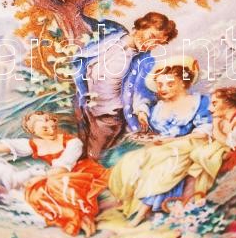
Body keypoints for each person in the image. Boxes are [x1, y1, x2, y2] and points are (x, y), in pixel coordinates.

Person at [109, 86, 236, 226]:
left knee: (175, 164)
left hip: (216, 149)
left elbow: (232, 144)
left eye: (214, 104)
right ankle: (134, 203)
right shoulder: (161, 106)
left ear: (228, 104)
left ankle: (148, 210)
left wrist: (213, 127)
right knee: (143, 160)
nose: (210, 108)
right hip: (190, 144)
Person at [0, 112, 109, 236]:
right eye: (44, 128)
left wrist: (38, 177)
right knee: (37, 192)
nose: (50, 129)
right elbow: (8, 146)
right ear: (33, 131)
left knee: (53, 185)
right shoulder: (35, 144)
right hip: (57, 175)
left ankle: (81, 217)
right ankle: (72, 217)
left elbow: (63, 167)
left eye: (51, 125)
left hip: (81, 173)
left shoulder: (73, 142)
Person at [72, 12, 178, 160]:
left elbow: (142, 90)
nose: (151, 44)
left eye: (157, 43)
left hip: (109, 115)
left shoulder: (145, 61)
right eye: (152, 36)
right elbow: (84, 25)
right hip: (83, 106)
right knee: (78, 150)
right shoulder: (111, 34)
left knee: (93, 156)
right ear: (140, 27)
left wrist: (142, 110)